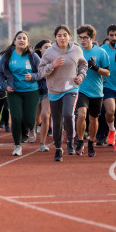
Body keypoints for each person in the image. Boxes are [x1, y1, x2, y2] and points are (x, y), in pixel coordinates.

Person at [38, 25, 88, 161]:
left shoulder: (76, 50)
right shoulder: (49, 53)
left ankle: (70, 142)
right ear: (55, 37)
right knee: (57, 120)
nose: (62, 38)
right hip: (54, 89)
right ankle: (59, 148)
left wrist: (81, 76)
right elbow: (41, 71)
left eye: (65, 35)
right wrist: (52, 65)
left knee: (68, 114)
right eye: (59, 35)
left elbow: (84, 64)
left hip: (71, 87)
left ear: (69, 36)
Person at [0, 31, 42, 157]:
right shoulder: (8, 55)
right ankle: (17, 146)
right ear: (15, 40)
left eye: (24, 38)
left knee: (29, 119)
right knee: (16, 118)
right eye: (19, 38)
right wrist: (5, 86)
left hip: (31, 91)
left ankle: (31, 128)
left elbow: (42, 72)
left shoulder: (32, 55)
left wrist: (33, 76)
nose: (21, 40)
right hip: (14, 91)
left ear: (27, 42)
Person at [75, 24, 110, 157]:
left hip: (96, 91)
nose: (82, 40)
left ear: (92, 37)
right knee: (82, 115)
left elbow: (107, 73)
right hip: (80, 89)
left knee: (93, 118)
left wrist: (96, 69)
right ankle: (79, 141)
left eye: (85, 38)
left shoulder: (101, 52)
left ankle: (90, 143)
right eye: (80, 38)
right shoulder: (76, 50)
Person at [100, 25, 116, 152]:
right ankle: (111, 130)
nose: (114, 37)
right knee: (110, 112)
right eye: (111, 35)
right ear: (108, 36)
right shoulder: (102, 50)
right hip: (108, 86)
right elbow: (97, 65)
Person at [34, 39, 52, 152]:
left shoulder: (54, 60)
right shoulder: (33, 60)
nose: (48, 49)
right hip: (34, 92)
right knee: (35, 121)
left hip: (47, 92)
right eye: (46, 47)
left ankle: (42, 143)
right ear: (40, 49)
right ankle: (32, 128)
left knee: (46, 115)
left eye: (50, 47)